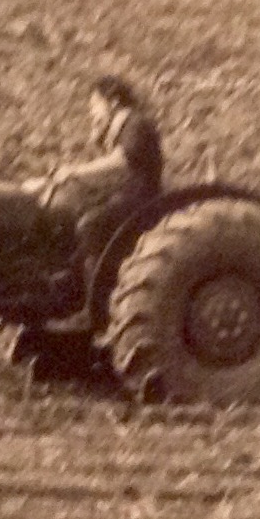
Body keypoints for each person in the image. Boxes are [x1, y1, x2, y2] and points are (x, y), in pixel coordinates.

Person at [45, 75, 165, 331]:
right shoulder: (118, 129)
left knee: (92, 224)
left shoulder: (137, 124)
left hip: (140, 201)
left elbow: (122, 161)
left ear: (112, 101)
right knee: (74, 216)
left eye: (95, 104)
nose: (91, 111)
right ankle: (67, 293)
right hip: (123, 197)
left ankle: (94, 311)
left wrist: (75, 171)